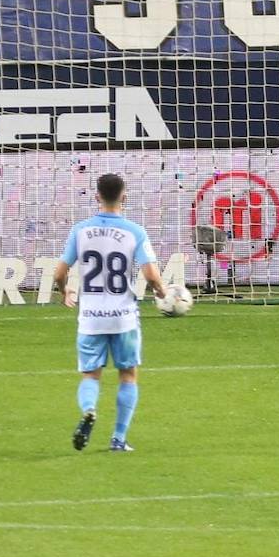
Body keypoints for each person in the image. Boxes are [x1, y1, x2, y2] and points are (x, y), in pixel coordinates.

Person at [52, 173, 167, 453]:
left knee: (90, 376)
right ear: (124, 197)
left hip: (91, 317)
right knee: (128, 374)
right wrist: (161, 291)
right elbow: (150, 274)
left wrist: (64, 291)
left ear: (97, 197)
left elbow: (59, 272)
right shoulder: (135, 231)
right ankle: (118, 439)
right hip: (123, 316)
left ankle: (90, 410)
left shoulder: (80, 230)